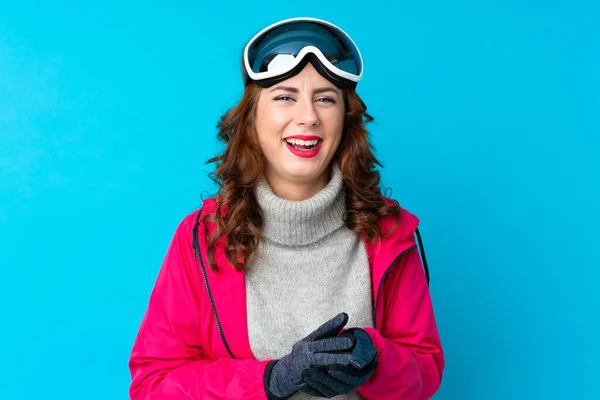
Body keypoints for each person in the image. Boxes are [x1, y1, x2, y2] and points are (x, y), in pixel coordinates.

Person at [128, 17, 444, 400]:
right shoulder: (201, 237)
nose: (308, 116)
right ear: (252, 117)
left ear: (345, 119)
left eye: (325, 98)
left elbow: (425, 371)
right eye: (284, 96)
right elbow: (152, 386)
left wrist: (377, 357)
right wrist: (269, 380)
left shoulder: (390, 233)